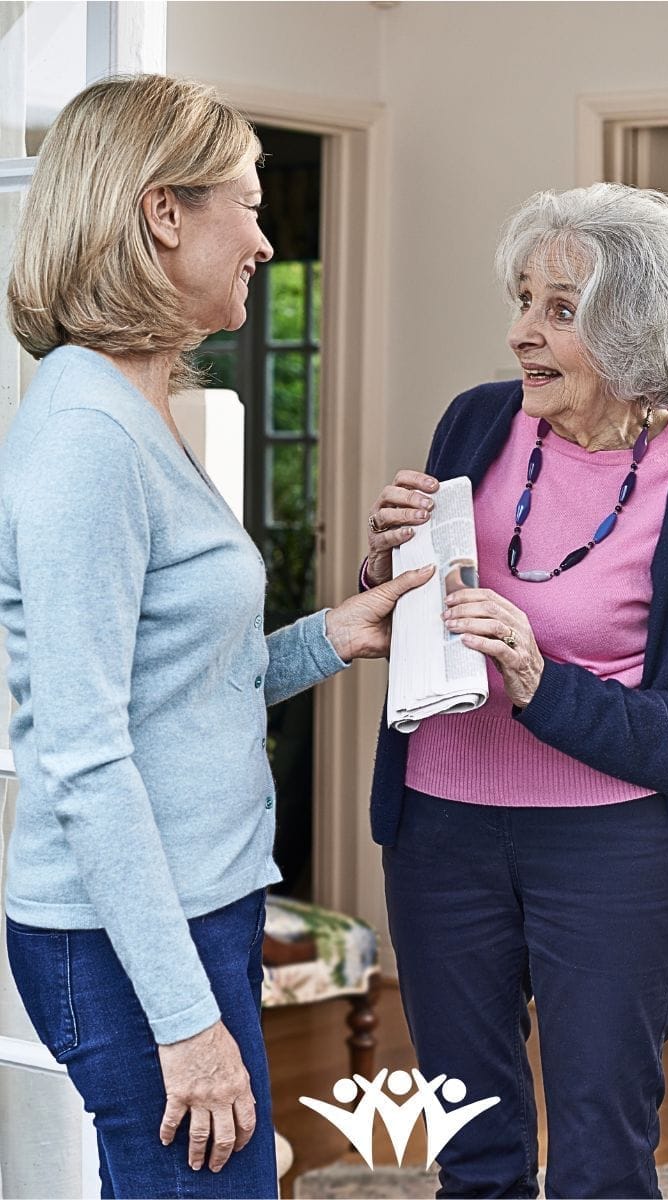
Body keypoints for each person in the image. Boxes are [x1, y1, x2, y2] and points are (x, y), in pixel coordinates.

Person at [0, 74, 433, 1200]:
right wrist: (186, 1024)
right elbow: (87, 754)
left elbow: (183, 679)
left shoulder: (133, 407)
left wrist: (336, 632)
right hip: (127, 941)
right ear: (161, 214)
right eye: (242, 203)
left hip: (192, 906)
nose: (263, 235)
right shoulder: (88, 438)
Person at [363, 184, 668, 1199]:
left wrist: (542, 679)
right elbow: (419, 613)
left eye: (556, 309)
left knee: (598, 1160)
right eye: (520, 299)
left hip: (611, 860)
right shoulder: (474, 424)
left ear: (632, 329)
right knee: (473, 1153)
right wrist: (388, 569)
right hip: (440, 837)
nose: (518, 334)